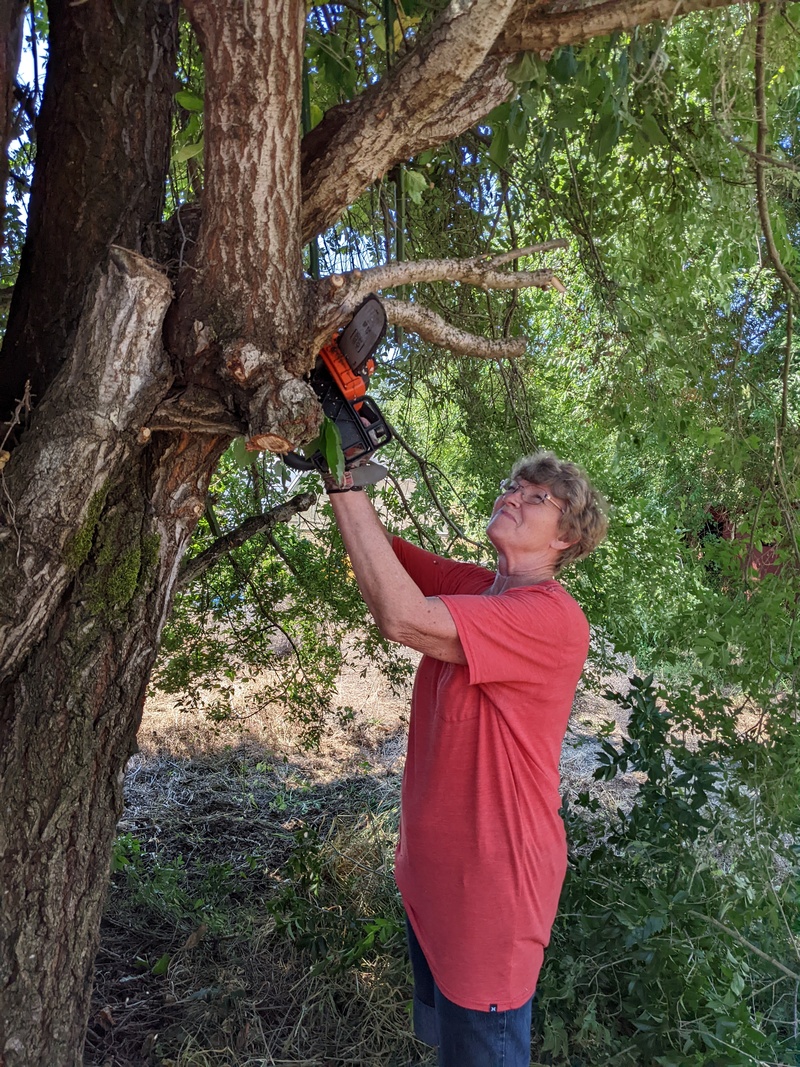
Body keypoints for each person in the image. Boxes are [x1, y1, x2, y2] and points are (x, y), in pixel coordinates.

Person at [324, 451, 608, 1067]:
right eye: (513, 485)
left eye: (537, 498)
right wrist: (341, 457)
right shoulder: (480, 586)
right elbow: (383, 555)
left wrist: (341, 478)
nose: (513, 495)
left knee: (482, 1048)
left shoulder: (551, 618)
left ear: (565, 537)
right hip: (436, 878)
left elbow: (401, 617)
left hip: (494, 888)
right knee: (451, 1047)